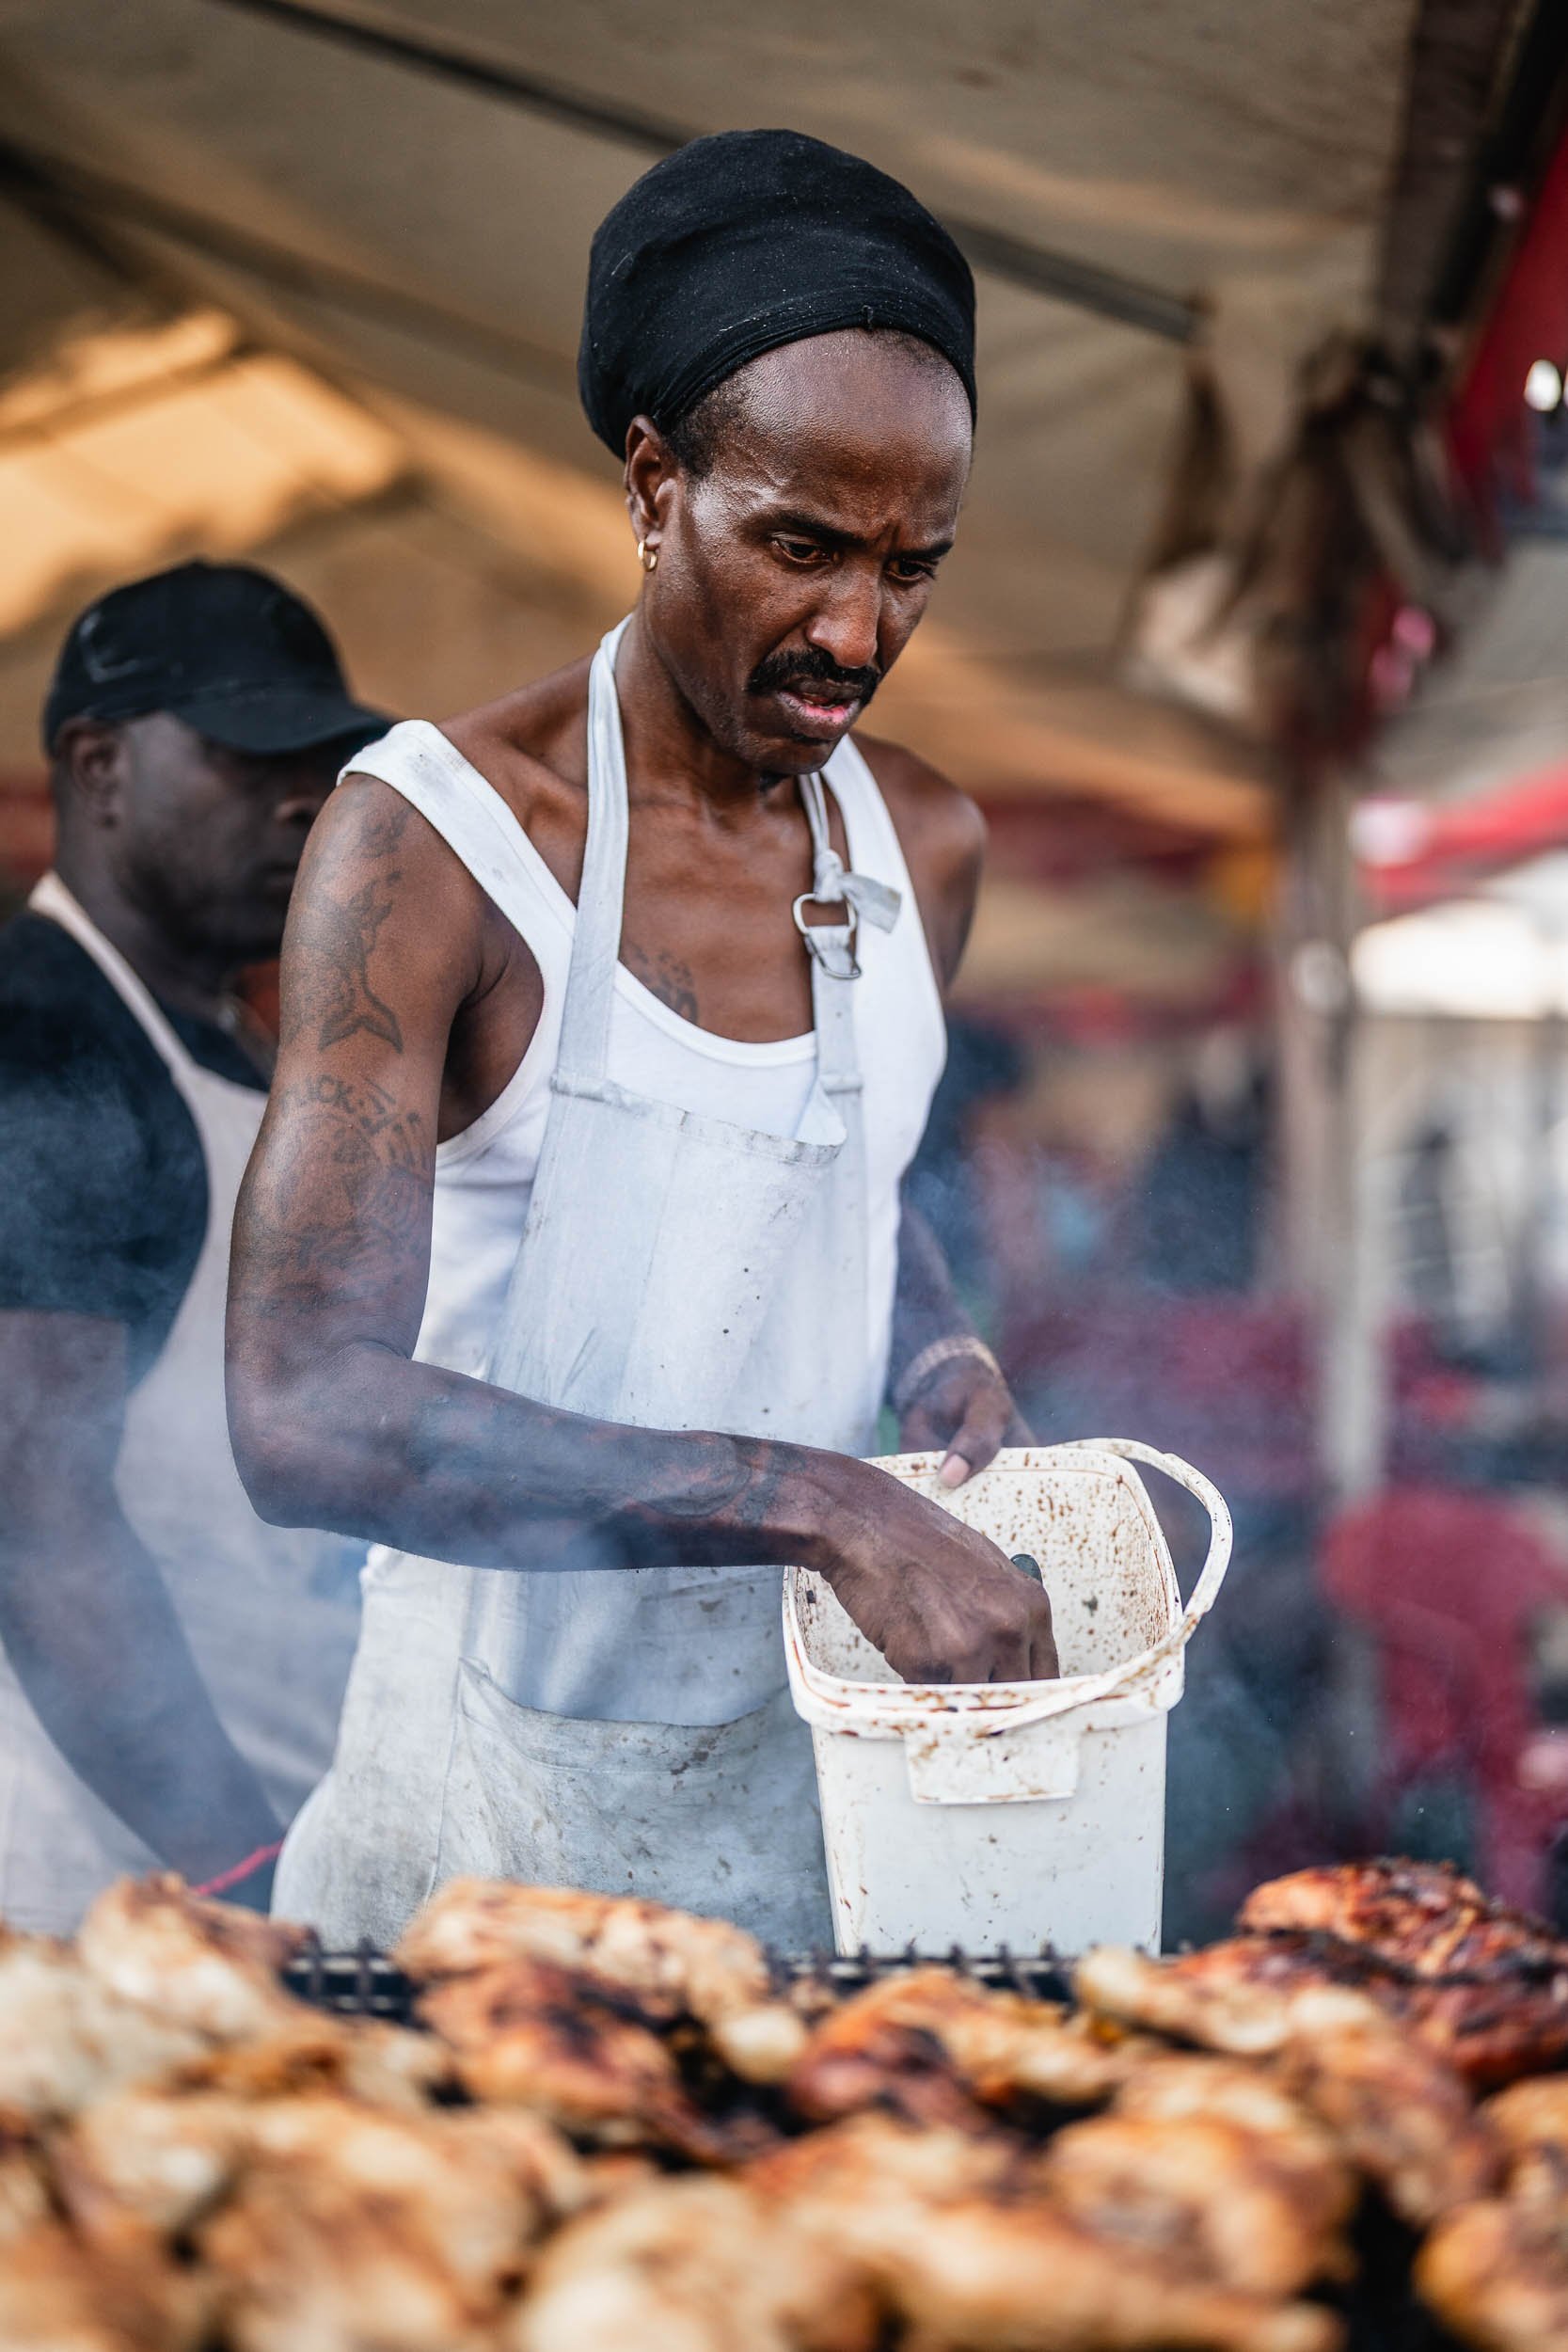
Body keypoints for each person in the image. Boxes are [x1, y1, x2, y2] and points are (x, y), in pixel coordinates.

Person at [229, 130, 1057, 1950]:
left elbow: (851, 1179)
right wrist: (816, 1504)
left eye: (917, 564)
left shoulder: (923, 845)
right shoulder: (438, 839)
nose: (857, 630)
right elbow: (300, 1415)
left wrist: (930, 1342)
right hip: (468, 1850)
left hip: (812, 1820)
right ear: (654, 481)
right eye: (801, 545)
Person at [0, 560, 385, 1930]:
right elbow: (36, 1519)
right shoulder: (36, 1037)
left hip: (274, 1841)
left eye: (326, 757)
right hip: (95, 1889)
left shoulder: (233, 1046)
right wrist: (247, 1878)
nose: (304, 794)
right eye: (247, 749)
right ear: (99, 768)